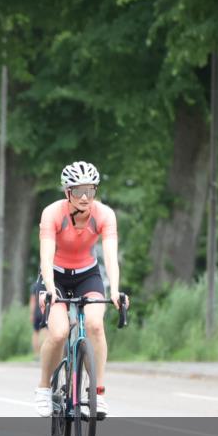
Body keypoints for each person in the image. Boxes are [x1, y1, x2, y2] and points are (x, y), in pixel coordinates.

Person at [35, 161, 127, 419]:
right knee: (60, 332)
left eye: (90, 190)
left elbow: (110, 256)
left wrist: (115, 290)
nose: (85, 197)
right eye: (78, 191)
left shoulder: (105, 215)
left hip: (88, 274)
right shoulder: (52, 213)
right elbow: (46, 256)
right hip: (55, 276)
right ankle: (43, 388)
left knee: (96, 326)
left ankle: (96, 392)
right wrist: (51, 289)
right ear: (67, 192)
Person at [29, 278, 47, 361]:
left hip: (36, 312)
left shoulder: (35, 286)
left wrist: (32, 314)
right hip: (46, 311)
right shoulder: (48, 283)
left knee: (36, 333)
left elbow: (32, 301)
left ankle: (36, 354)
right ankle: (44, 353)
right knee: (46, 332)